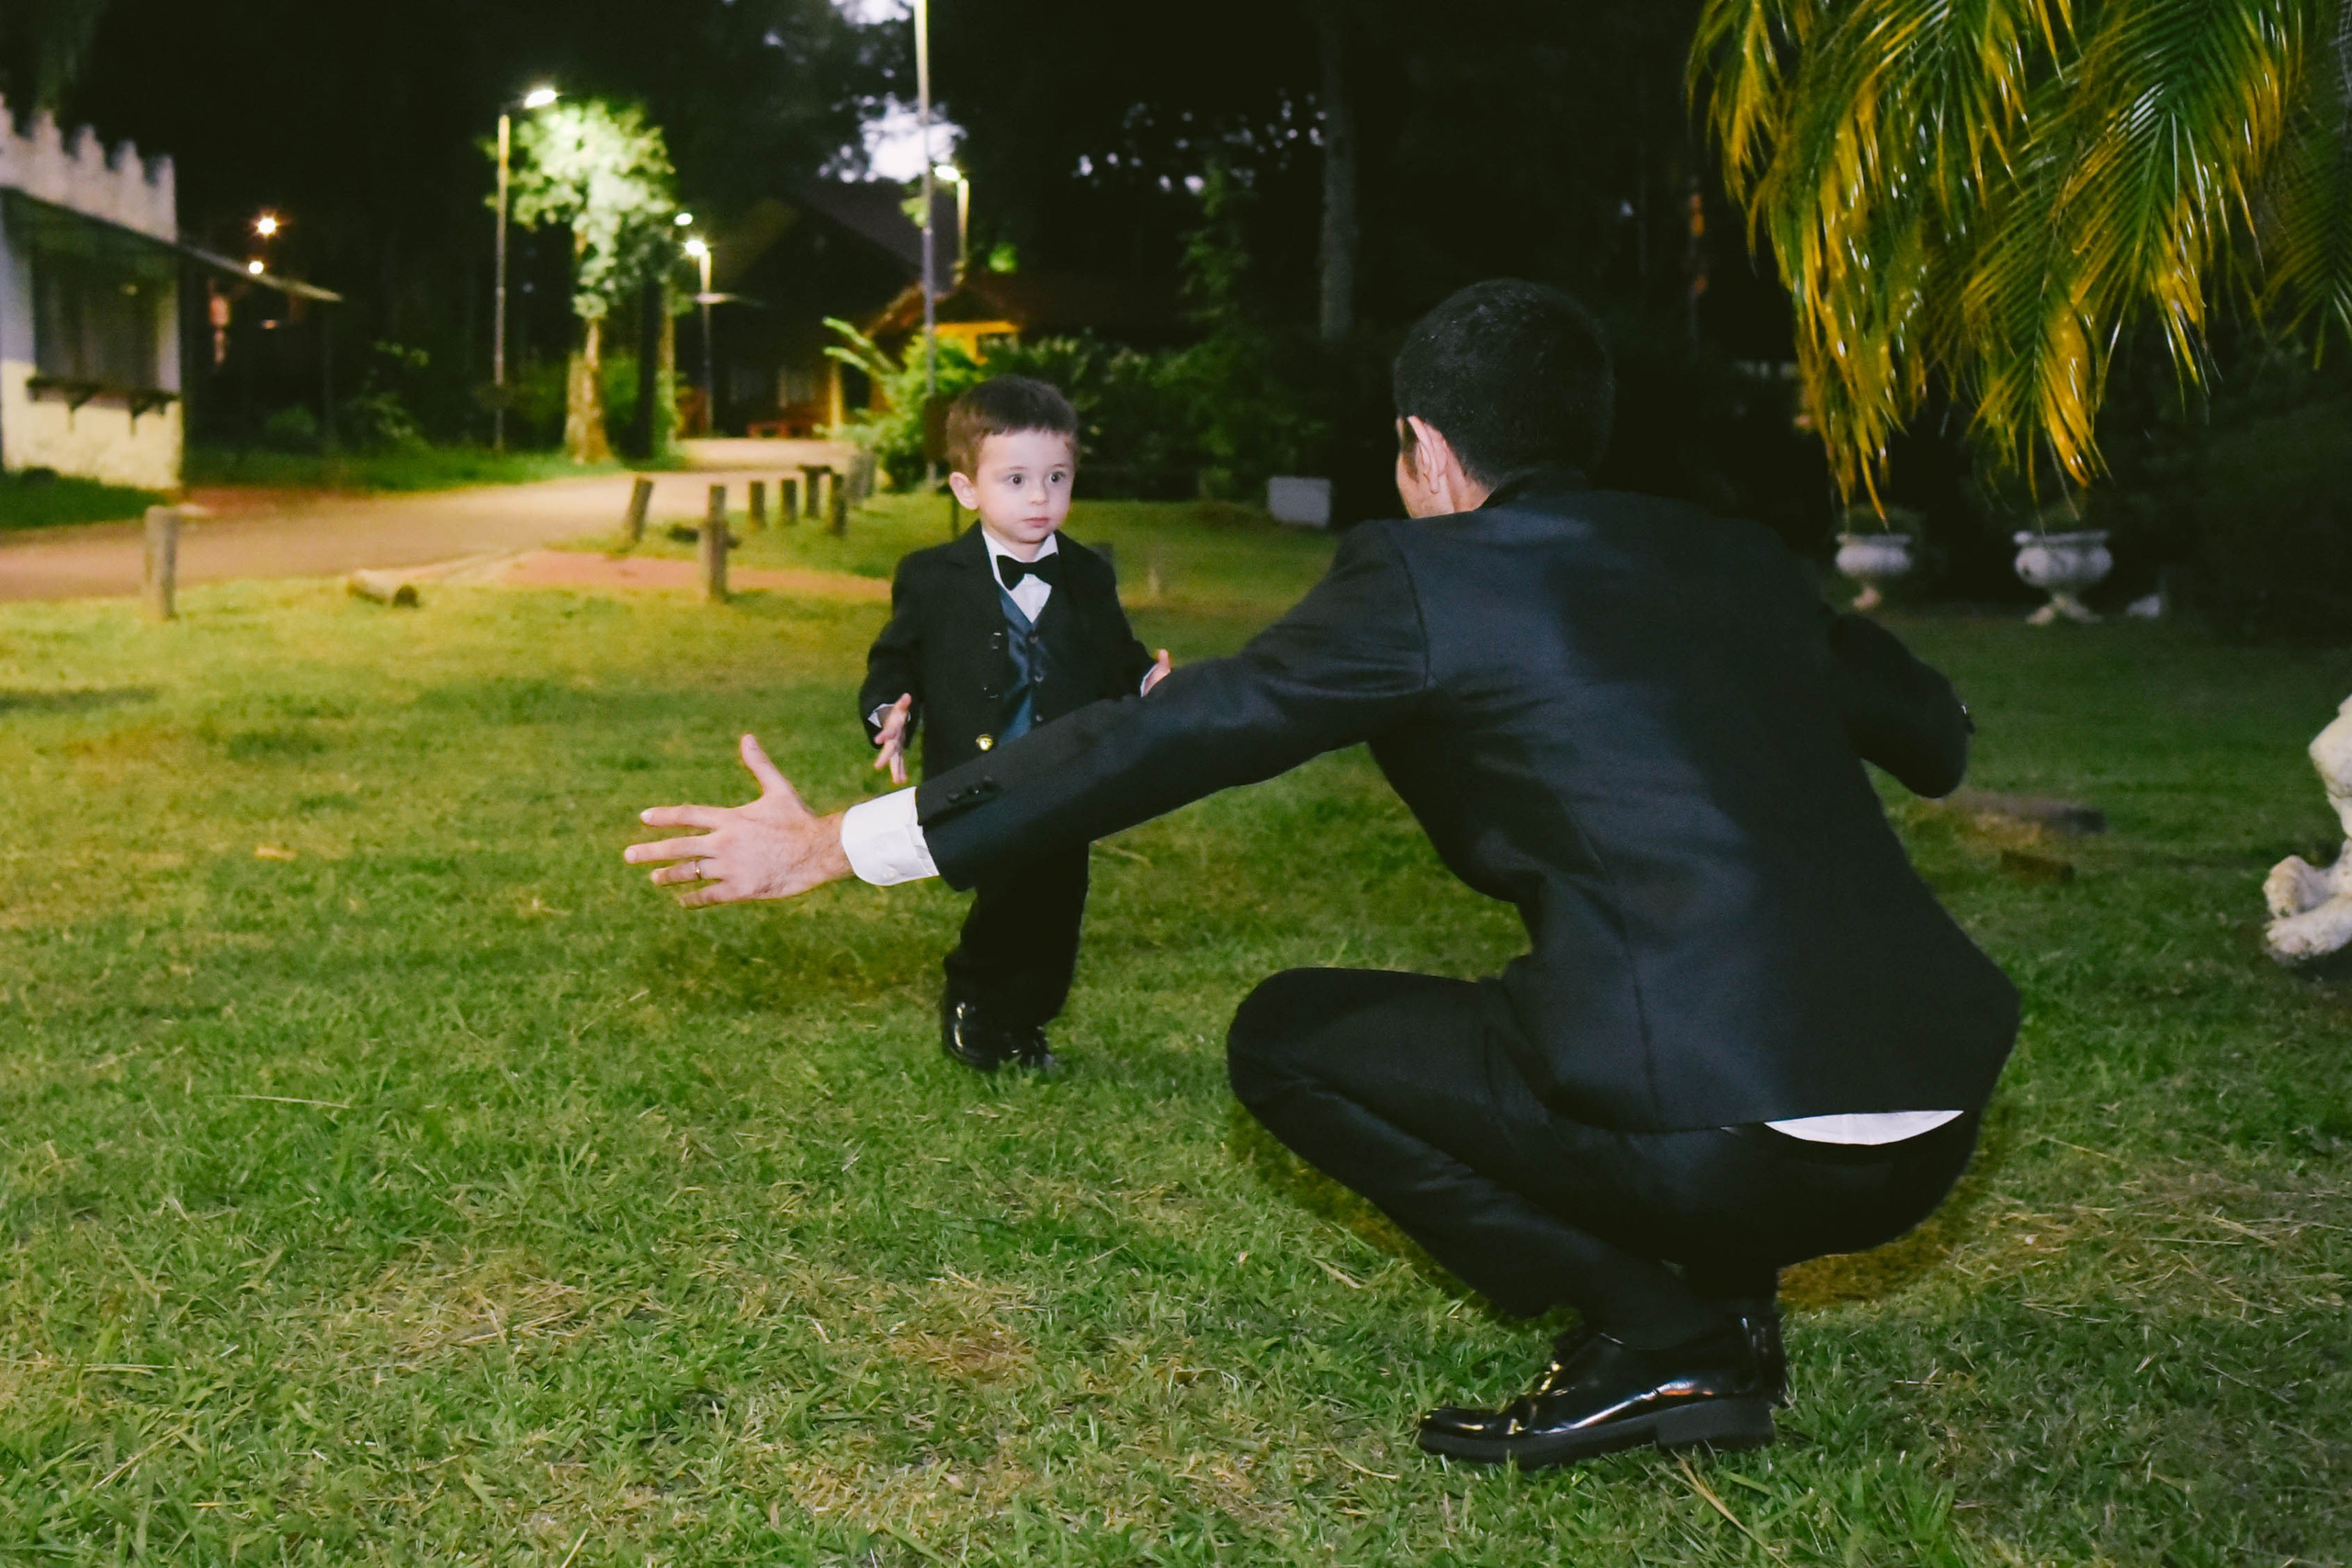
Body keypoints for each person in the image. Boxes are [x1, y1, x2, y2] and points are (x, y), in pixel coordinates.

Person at [623, 280, 2019, 1471]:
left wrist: (838, 842)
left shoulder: (1428, 579)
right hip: (1934, 1124)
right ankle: (1722, 1295)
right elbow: (1938, 737)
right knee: (1633, 1004)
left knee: (1287, 1037)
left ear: (1426, 449)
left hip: (1723, 1136)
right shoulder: (1737, 560)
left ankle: (1669, 1334)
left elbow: (1160, 738)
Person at [857, 376, 1171, 1073]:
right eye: (1017, 479)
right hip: (979, 778)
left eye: (1057, 478)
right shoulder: (932, 576)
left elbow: (1118, 657)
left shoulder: (1087, 574)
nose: (1040, 498)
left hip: (1068, 773)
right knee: (1007, 894)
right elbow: (895, 660)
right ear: (967, 488)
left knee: (1058, 905)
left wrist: (1150, 680)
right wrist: (889, 711)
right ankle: (973, 997)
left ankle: (1025, 1021)